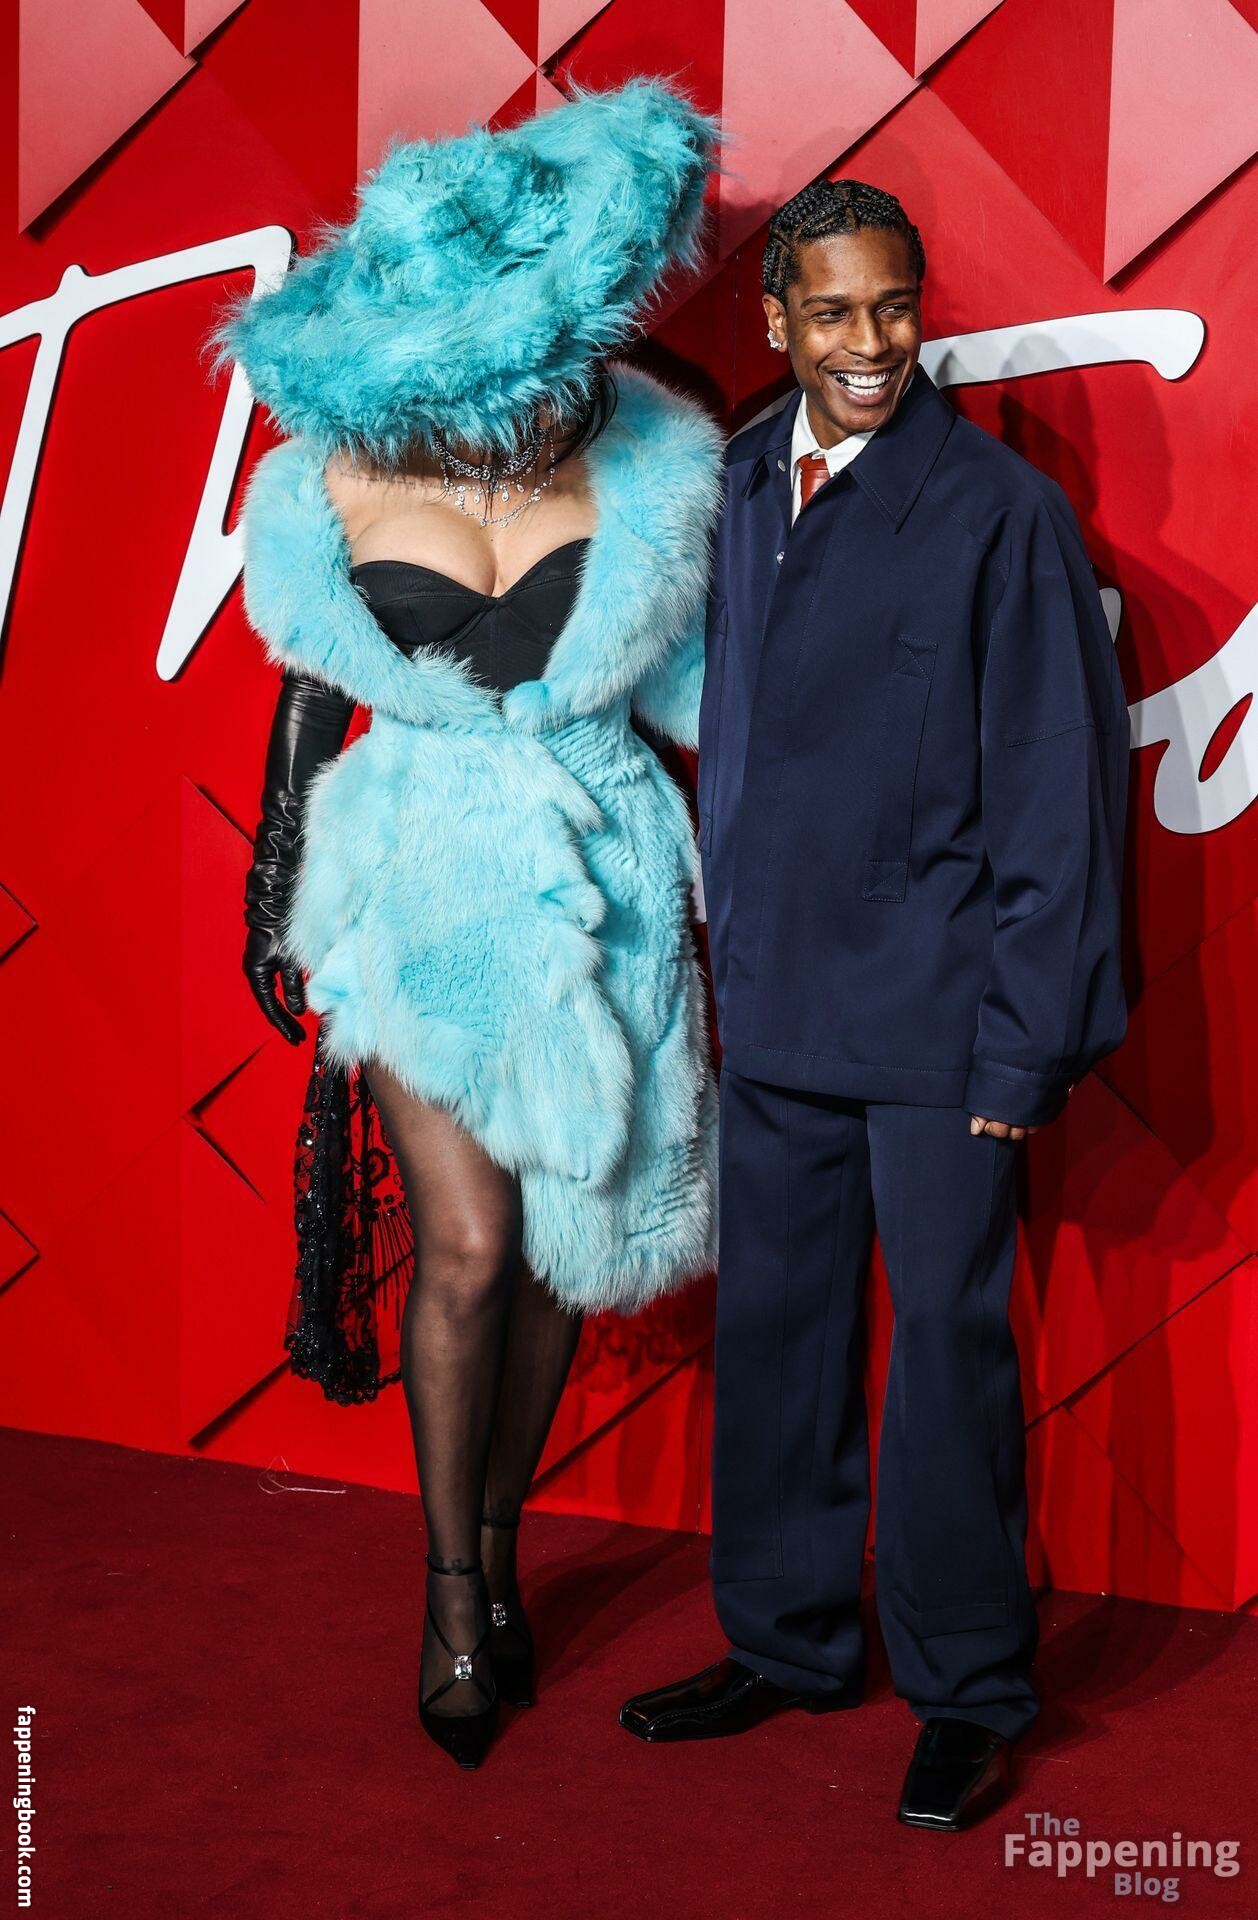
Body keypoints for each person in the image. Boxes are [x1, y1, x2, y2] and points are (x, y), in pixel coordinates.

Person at [211, 77, 725, 1771]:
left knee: (567, 1252)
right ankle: (449, 1593)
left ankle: (502, 1550)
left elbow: (708, 697)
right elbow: (311, 687)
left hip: (604, 867)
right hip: (421, 873)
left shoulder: (656, 448)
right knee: (471, 1251)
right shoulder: (325, 477)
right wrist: (276, 886)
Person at [619, 179, 1130, 1832]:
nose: (867, 342)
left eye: (891, 307)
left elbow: (1055, 793)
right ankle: (785, 1641)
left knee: (949, 1364)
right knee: (776, 1341)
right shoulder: (736, 484)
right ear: (775, 319)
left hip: (943, 1027)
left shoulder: (998, 513)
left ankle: (967, 1688)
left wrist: (1025, 1043)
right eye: (831, 311)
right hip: (775, 1011)